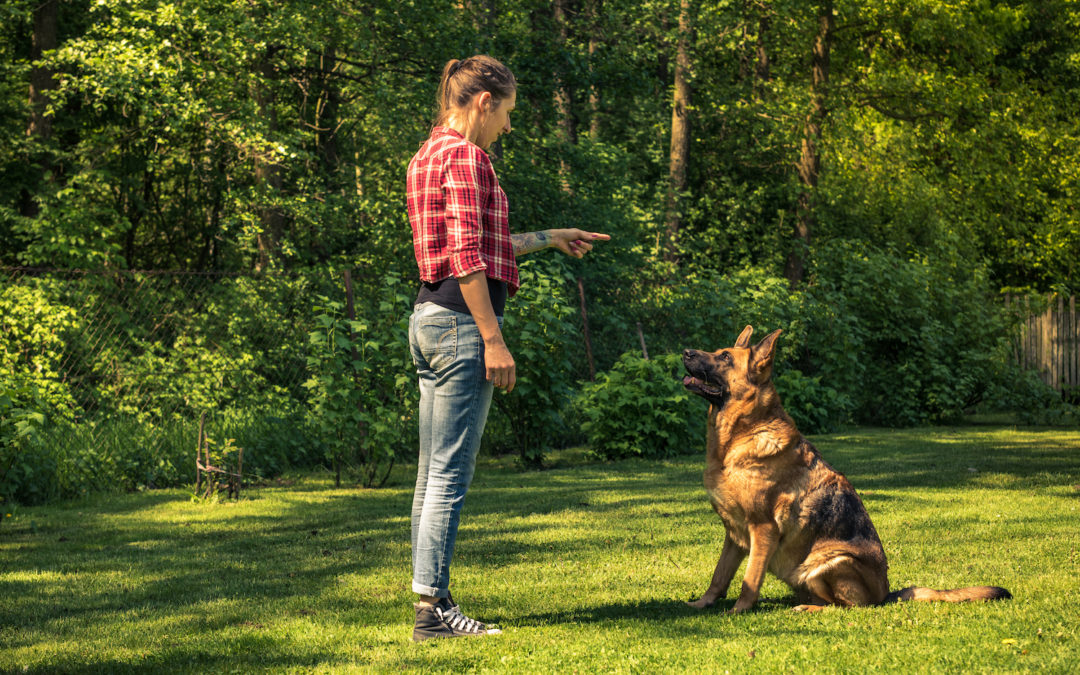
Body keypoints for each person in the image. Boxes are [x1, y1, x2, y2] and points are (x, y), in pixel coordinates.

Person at [406, 54, 610, 642]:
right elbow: (469, 257)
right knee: (449, 474)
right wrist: (493, 339)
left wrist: (552, 238)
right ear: (484, 102)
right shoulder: (469, 158)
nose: (509, 127)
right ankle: (434, 611)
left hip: (428, 316)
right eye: (509, 114)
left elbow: (482, 245)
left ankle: (429, 598)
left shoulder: (428, 155)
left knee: (429, 475)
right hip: (461, 326)